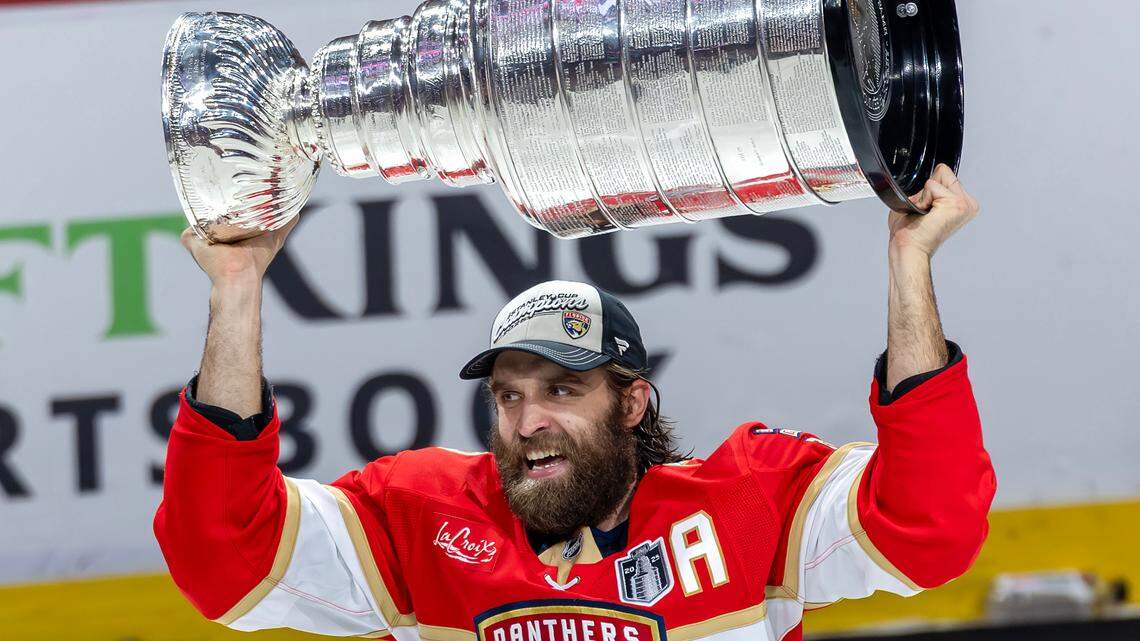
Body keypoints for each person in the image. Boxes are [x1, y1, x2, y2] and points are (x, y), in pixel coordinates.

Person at [154, 164, 995, 641]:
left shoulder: (744, 505)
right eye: (509, 394)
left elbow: (928, 525)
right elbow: (223, 555)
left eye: (562, 389)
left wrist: (909, 265)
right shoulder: (421, 518)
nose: (528, 421)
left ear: (632, 404)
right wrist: (238, 288)